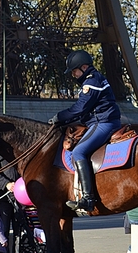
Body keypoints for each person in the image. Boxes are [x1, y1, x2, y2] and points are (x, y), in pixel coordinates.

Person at [48, 49, 121, 212]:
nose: (73, 74)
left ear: (84, 67)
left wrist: (59, 117)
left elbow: (80, 108)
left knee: (78, 152)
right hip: (99, 120)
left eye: (74, 70)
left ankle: (88, 198)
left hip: (104, 122)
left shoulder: (91, 82)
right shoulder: (94, 78)